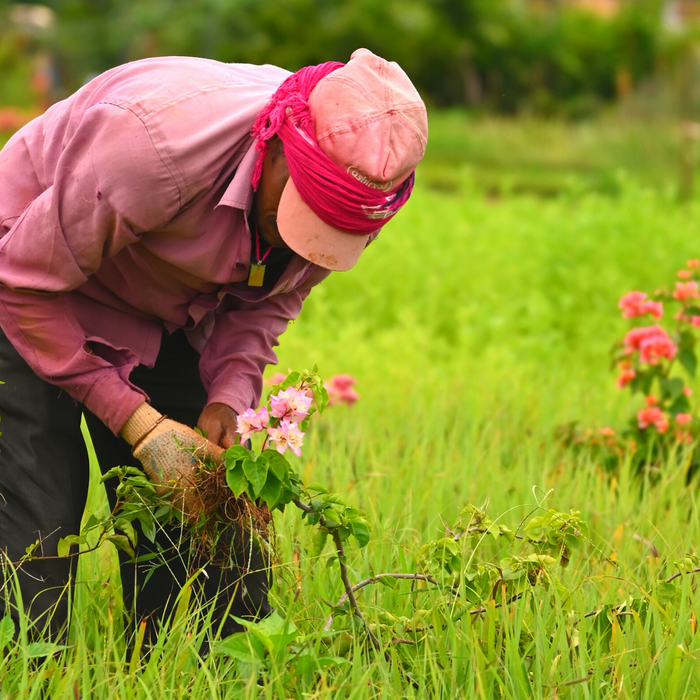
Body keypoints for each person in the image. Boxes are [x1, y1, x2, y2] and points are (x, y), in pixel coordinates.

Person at [0, 48, 428, 639]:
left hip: (161, 301)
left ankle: (164, 669)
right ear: (275, 146)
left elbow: (272, 295)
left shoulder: (362, 185)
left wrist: (228, 396)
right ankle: (31, 671)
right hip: (25, 279)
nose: (301, 240)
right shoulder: (152, 149)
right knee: (39, 530)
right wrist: (137, 422)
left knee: (206, 529)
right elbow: (19, 284)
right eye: (301, 212)